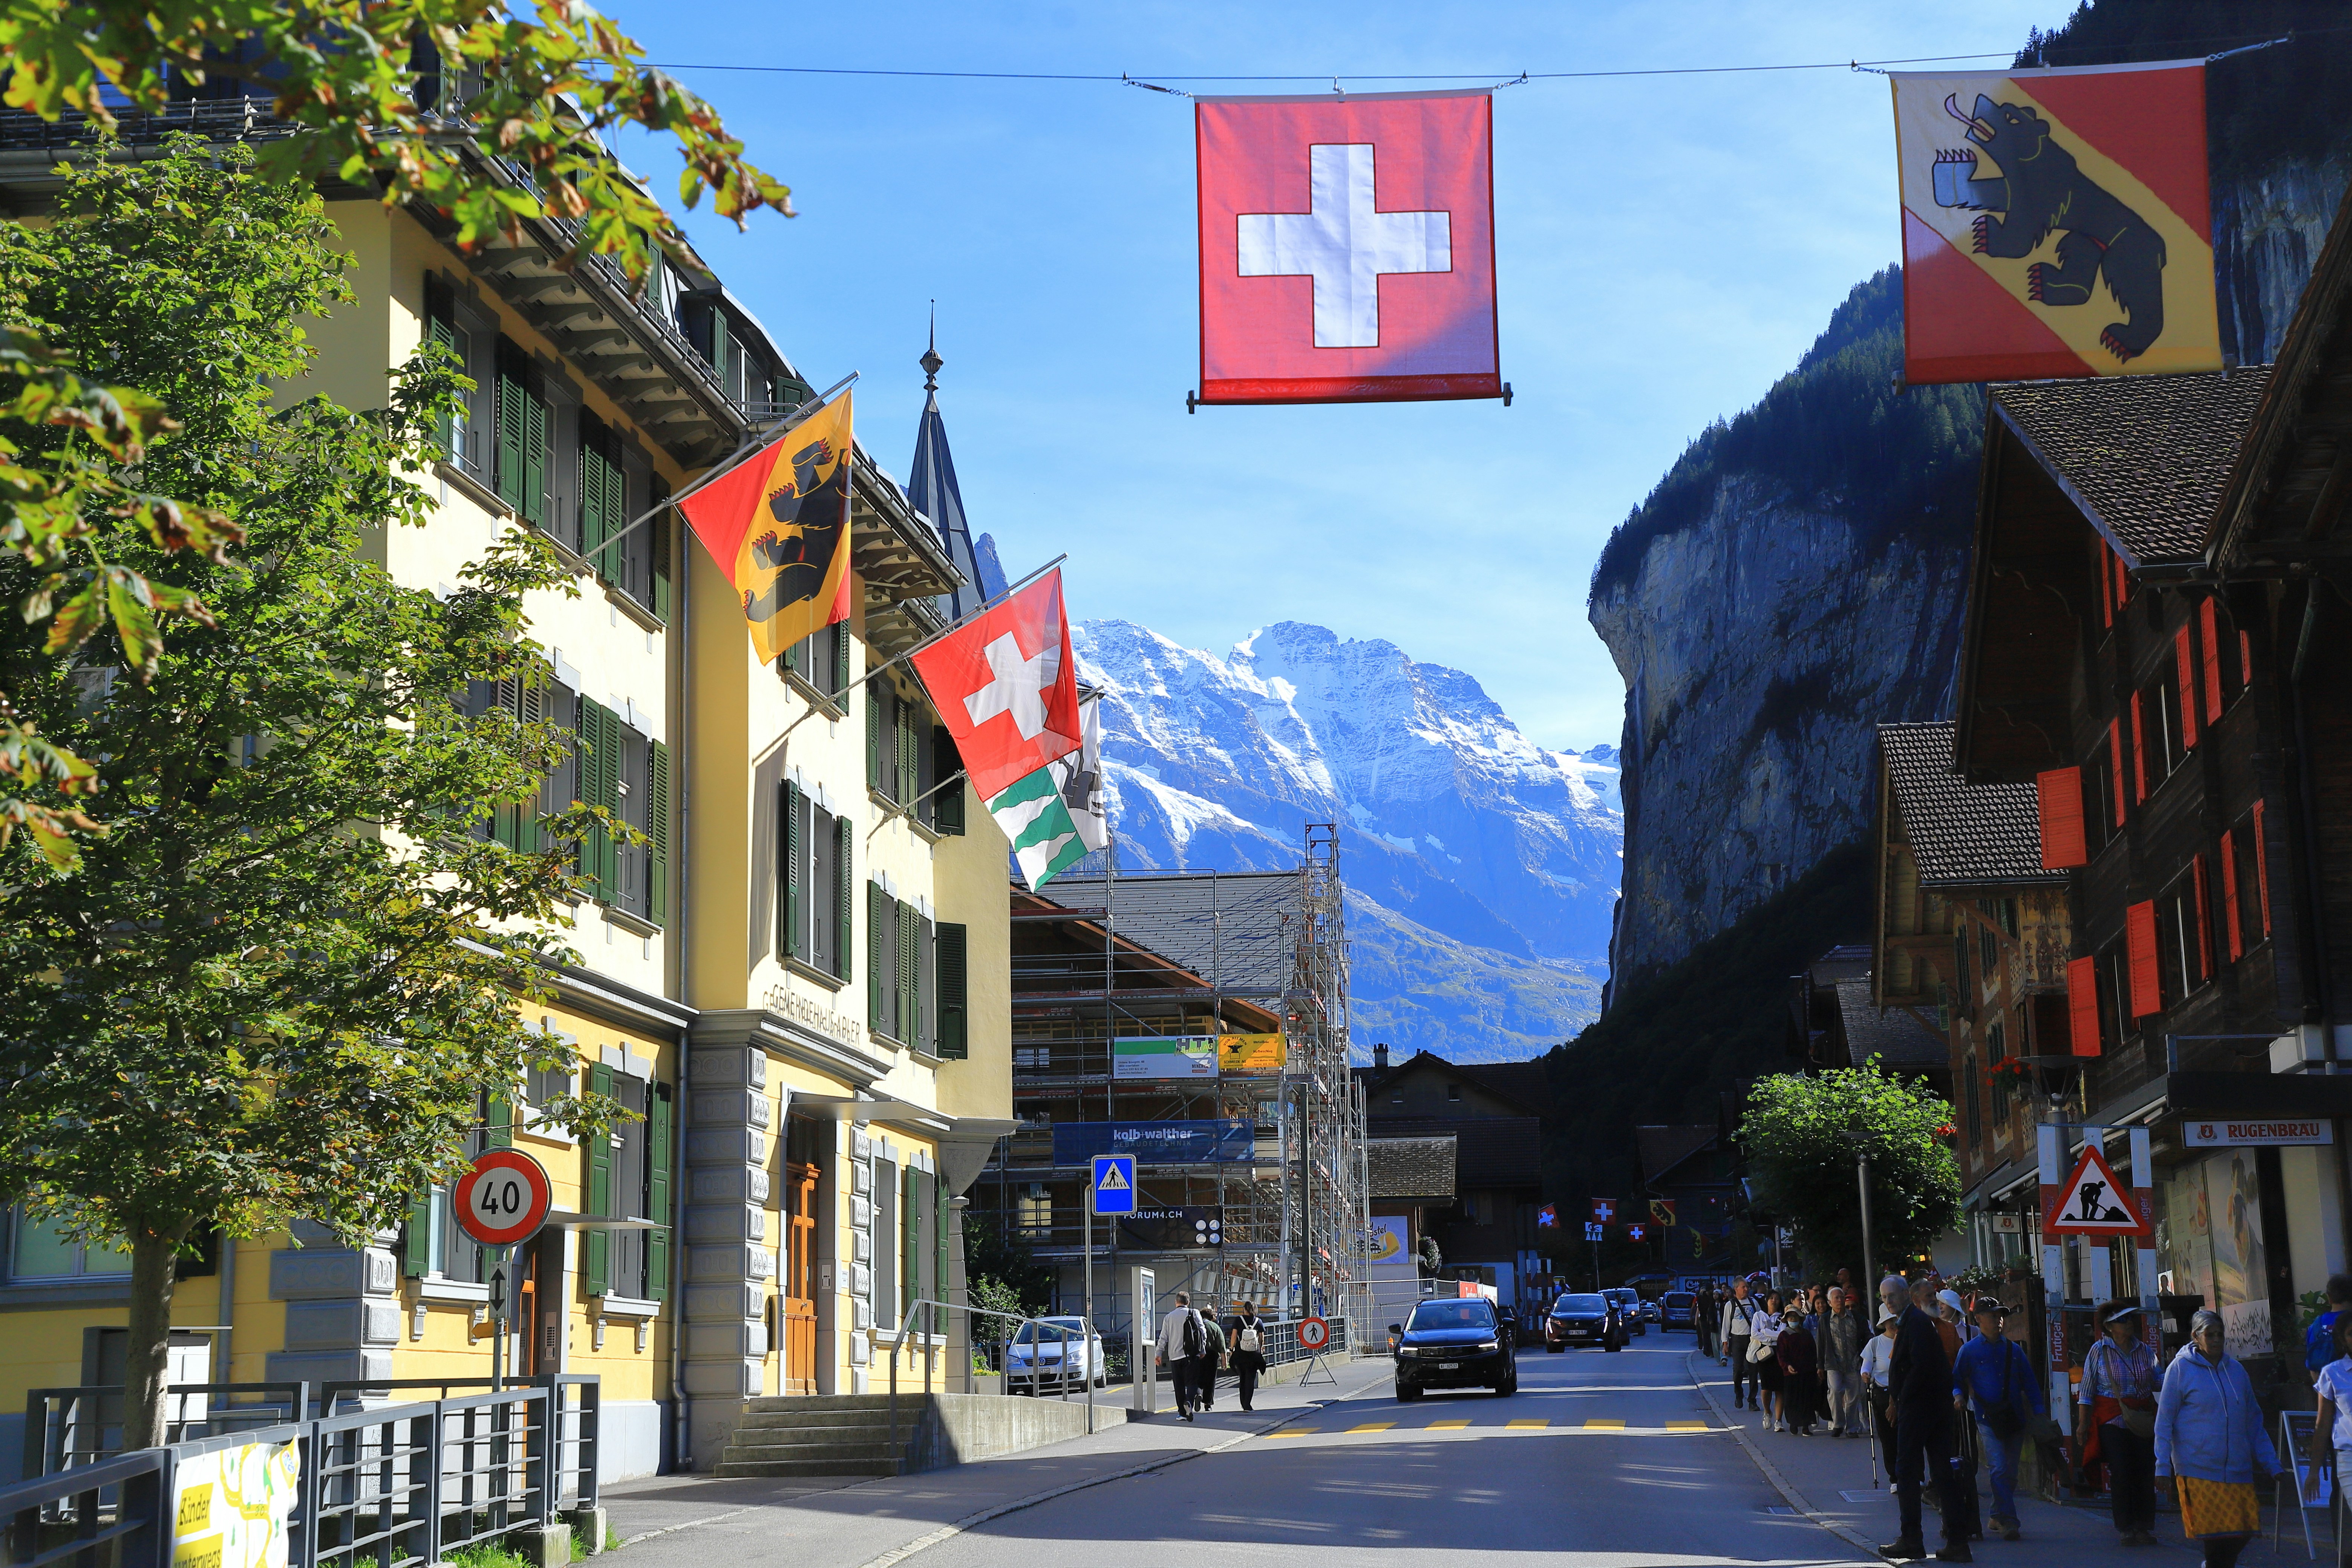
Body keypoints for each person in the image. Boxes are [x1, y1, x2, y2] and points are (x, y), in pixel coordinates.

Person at [2156, 1308, 2283, 1568]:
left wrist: (2273, 1464)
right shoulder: (2180, 1369)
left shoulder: (2236, 1371)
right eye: (2209, 1335)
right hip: (2198, 1469)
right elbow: (2164, 1422)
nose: (2216, 1340)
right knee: (2215, 1540)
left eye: (2220, 1335)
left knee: (2245, 1531)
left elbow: (2254, 1422)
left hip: (2238, 1469)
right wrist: (2162, 1466)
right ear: (2195, 1337)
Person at [1881, 1274, 1970, 1563]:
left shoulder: (1916, 1323)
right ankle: (1957, 1541)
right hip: (1934, 1407)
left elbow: (1919, 1367)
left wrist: (1903, 1398)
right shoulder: (1916, 1322)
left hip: (1921, 1409)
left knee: (1908, 1472)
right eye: (1884, 1298)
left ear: (1906, 1294)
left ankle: (1912, 1540)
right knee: (1941, 1474)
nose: (1888, 1302)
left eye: (1892, 1296)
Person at [1952, 1297, 2044, 1542]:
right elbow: (1956, 1378)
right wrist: (1958, 1396)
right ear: (1978, 1319)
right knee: (2000, 1469)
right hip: (1987, 1418)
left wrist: (2040, 1412)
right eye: (1992, 1315)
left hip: (2014, 1418)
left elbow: (2031, 1384)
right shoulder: (1969, 1351)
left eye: (2000, 1315)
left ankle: (1995, 1514)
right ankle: (2009, 1521)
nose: (1998, 1319)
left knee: (2011, 1473)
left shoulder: (2014, 1351)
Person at [2082, 1300, 2162, 1547]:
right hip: (2112, 1420)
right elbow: (2087, 1390)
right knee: (2121, 1470)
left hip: (2142, 1420)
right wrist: (2082, 1425)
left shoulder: (2146, 1352)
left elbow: (2159, 1383)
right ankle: (2125, 1527)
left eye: (2129, 1319)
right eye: (2122, 1320)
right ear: (2109, 1327)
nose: (2128, 1324)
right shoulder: (2099, 1351)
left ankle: (2144, 1527)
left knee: (2145, 1471)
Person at [2305, 1311, 2352, 1562]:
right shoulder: (2333, 1373)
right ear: (2344, 1340)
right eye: (2351, 1334)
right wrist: (2314, 1472)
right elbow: (2323, 1425)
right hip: (2349, 1459)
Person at [1822, 1286, 1867, 1438]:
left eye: (1842, 1297)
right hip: (1834, 1363)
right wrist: (1819, 1365)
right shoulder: (1825, 1320)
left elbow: (1866, 1336)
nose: (1840, 1300)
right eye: (1836, 1298)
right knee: (1835, 1391)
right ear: (1830, 1302)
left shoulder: (1856, 1318)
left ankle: (1852, 1427)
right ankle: (1838, 1423)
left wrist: (1865, 1357)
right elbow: (1821, 1343)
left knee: (1854, 1396)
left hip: (1854, 1361)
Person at [1154, 1290, 1206, 1420]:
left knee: (1179, 1385)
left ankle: (1182, 1413)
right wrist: (1202, 1349)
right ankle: (1189, 1402)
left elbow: (1163, 1338)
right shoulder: (1194, 1313)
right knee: (1193, 1383)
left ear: (1176, 1302)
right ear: (1188, 1302)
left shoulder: (1169, 1317)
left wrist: (1159, 1353)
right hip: (1191, 1355)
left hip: (1175, 1357)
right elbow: (1202, 1332)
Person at [1777, 1306, 1821, 1435]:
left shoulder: (1806, 1334)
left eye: (1795, 1317)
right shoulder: (1784, 1335)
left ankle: (1806, 1427)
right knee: (1792, 1400)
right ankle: (1794, 1423)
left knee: (1807, 1399)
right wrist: (1787, 1366)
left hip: (1807, 1372)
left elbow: (1813, 1352)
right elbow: (1781, 1355)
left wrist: (1816, 1368)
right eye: (1790, 1317)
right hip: (1791, 1374)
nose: (1793, 1319)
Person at [1862, 1305, 1899, 1457]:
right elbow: (1866, 1366)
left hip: (1903, 1394)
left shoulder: (1906, 1339)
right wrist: (1865, 1374)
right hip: (1883, 1394)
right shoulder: (1875, 1343)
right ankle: (1894, 1477)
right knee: (1888, 1438)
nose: (1892, 1324)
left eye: (1895, 1319)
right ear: (1884, 1323)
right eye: (1889, 1320)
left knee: (1908, 1438)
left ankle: (1917, 1476)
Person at [1222, 1301, 1268, 1412]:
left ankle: (1243, 1403)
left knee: (1242, 1378)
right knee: (1251, 1379)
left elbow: (1234, 1336)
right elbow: (1262, 1338)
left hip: (1240, 1354)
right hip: (1254, 1355)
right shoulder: (1258, 1321)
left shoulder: (1238, 1320)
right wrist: (1261, 1349)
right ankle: (1248, 1405)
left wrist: (1232, 1349)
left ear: (1245, 1309)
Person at [2308, 1275, 2352, 1386]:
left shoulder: (2316, 1325)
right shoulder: (2349, 1322)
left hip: (2325, 1387)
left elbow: (2312, 1364)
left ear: (2329, 1298)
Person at [1753, 1292, 1787, 1430]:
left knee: (1780, 1389)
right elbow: (1755, 1333)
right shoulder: (1759, 1315)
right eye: (1771, 1298)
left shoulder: (1782, 1318)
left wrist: (1766, 1332)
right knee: (1766, 1387)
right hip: (1764, 1353)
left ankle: (1779, 1421)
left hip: (1779, 1352)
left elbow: (1782, 1335)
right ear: (1767, 1301)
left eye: (1777, 1299)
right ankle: (1767, 1411)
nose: (1774, 1301)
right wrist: (1769, 1338)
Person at [1723, 1279, 1758, 1406]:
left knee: (1753, 1371)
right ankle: (1739, 1394)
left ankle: (1752, 1400)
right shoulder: (1730, 1305)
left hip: (1752, 1340)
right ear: (1736, 1289)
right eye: (1743, 1287)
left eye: (1747, 1287)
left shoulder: (1754, 1303)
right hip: (1737, 1340)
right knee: (1738, 1370)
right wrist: (1725, 1343)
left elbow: (1760, 1320)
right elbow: (1726, 1325)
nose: (1746, 1289)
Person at [1195, 1303, 1228, 1410]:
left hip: (1198, 1354)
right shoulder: (1215, 1327)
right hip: (1212, 1355)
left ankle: (1198, 1392)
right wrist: (1224, 1360)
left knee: (1199, 1376)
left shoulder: (1196, 1326)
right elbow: (1222, 1344)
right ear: (1211, 1317)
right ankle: (1208, 1404)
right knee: (1211, 1379)